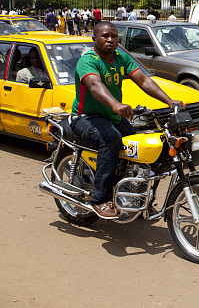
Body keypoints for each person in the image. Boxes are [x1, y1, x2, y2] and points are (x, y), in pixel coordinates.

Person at [70, 21, 185, 219]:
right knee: (111, 138)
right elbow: (95, 86)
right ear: (94, 39)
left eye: (114, 36)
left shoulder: (121, 58)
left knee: (140, 148)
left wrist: (169, 101)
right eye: (105, 36)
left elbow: (144, 80)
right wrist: (115, 104)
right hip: (85, 117)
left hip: (111, 117)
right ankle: (100, 200)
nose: (110, 40)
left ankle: (136, 196)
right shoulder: (88, 60)